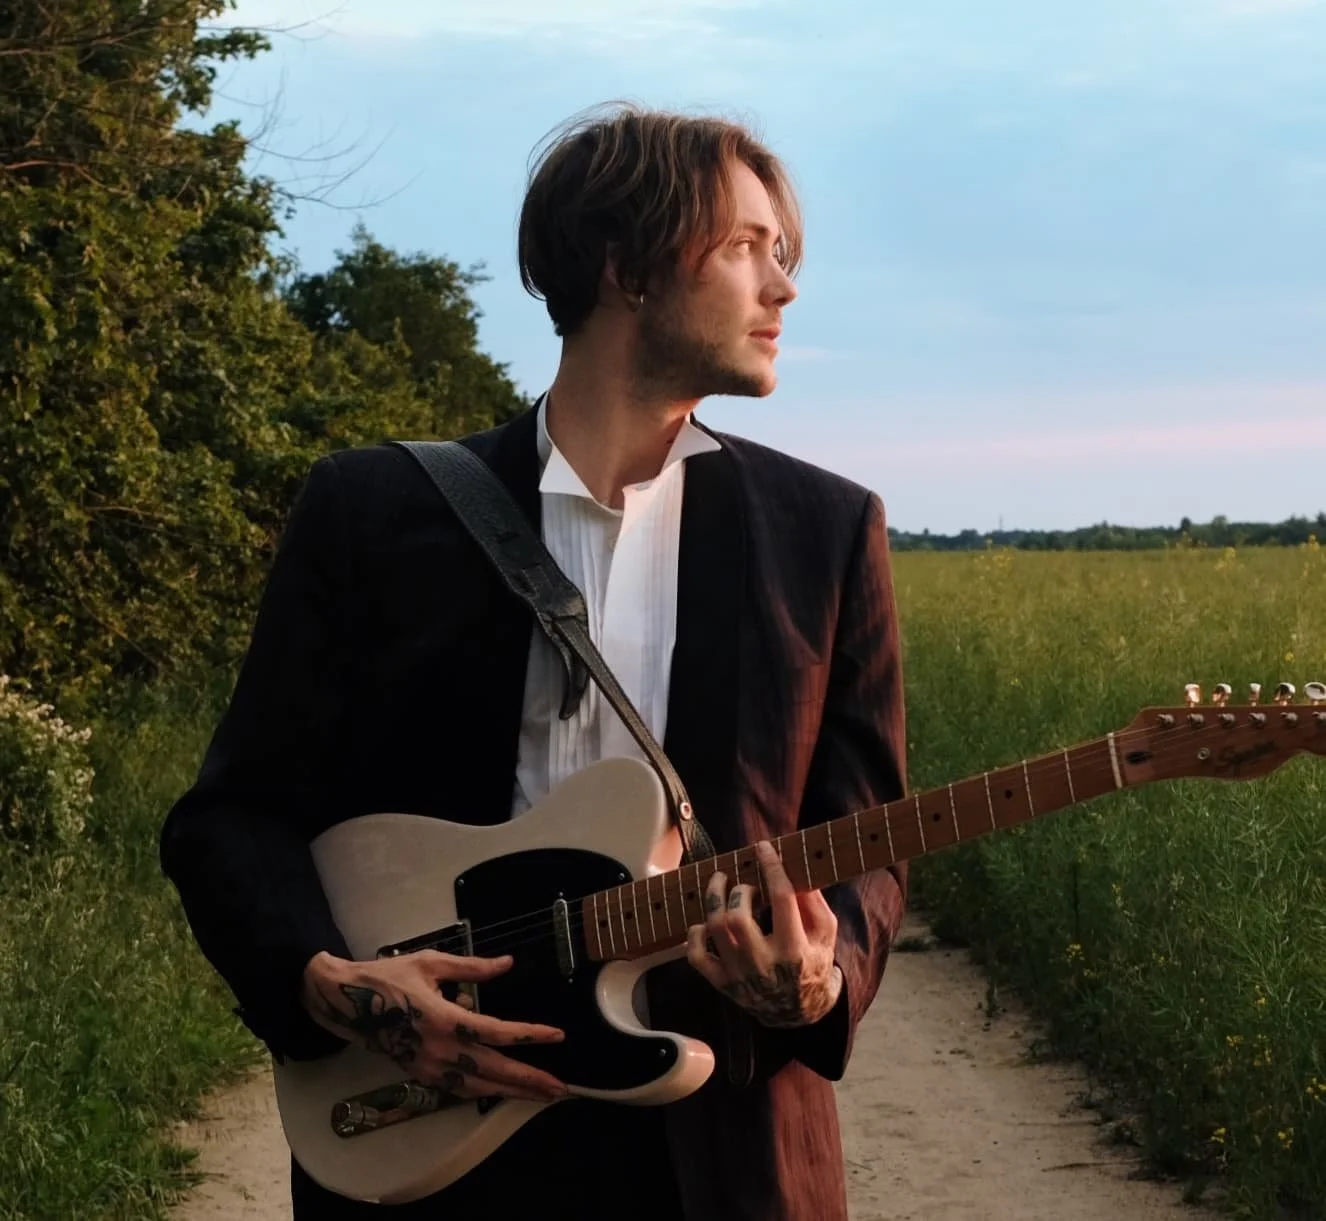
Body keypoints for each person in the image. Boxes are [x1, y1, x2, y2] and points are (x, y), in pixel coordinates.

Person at [160, 102, 909, 1221]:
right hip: (428, 1130)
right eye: (748, 247)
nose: (783, 287)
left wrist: (820, 973)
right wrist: (334, 986)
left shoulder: (825, 532)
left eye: (782, 253)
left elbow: (870, 833)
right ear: (628, 267)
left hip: (721, 1143)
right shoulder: (372, 513)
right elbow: (233, 819)